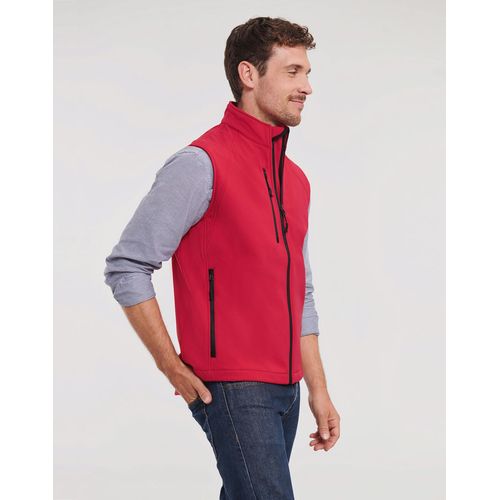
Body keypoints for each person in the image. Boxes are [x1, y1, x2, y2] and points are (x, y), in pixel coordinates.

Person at [104, 16, 340, 500]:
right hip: (233, 386)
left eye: (307, 73)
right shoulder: (200, 165)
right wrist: (170, 364)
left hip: (287, 388)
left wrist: (317, 389)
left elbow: (302, 292)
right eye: (292, 72)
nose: (307, 87)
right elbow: (128, 265)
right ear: (249, 75)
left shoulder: (296, 181)